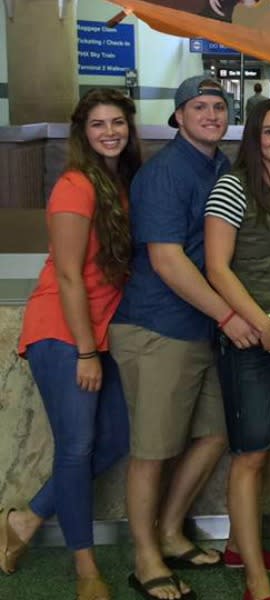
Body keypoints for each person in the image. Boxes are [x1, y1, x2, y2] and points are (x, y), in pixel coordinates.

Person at [109, 75, 261, 600]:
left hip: (198, 329)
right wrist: (229, 317)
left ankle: (172, 534)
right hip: (157, 327)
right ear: (178, 116)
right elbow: (167, 260)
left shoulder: (221, 167)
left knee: (215, 433)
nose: (211, 114)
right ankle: (145, 557)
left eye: (219, 106)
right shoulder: (164, 174)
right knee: (151, 451)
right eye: (199, 106)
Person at [1, 89, 141, 600]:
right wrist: (85, 349)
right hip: (63, 333)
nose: (110, 132)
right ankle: (86, 570)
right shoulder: (75, 185)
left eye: (118, 122)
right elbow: (66, 274)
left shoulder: (119, 184)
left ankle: (26, 519)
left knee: (117, 439)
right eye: (99, 124)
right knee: (78, 449)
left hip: (102, 333)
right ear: (83, 133)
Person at [204, 99, 270, 600]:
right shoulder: (233, 186)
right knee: (250, 454)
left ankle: (235, 546)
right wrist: (259, 323)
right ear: (254, 138)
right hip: (249, 338)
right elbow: (217, 267)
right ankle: (254, 579)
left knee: (265, 442)